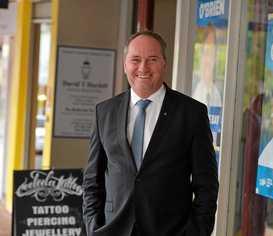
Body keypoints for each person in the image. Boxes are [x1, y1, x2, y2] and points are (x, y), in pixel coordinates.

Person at [82, 31, 219, 236]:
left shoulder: (191, 113)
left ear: (164, 63)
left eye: (152, 59)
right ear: (125, 64)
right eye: (135, 60)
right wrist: (94, 227)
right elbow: (92, 181)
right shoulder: (104, 112)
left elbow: (206, 185)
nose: (143, 68)